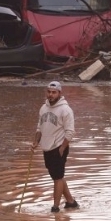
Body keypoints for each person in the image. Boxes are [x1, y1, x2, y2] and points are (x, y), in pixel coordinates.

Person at [32, 81, 78, 213]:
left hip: (59, 147)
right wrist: (35, 142)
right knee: (57, 176)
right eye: (49, 92)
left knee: (57, 177)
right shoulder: (43, 108)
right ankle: (71, 202)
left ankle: (55, 207)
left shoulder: (65, 110)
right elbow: (39, 128)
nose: (50, 95)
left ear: (59, 93)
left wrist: (62, 149)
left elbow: (70, 132)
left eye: (54, 92)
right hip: (46, 147)